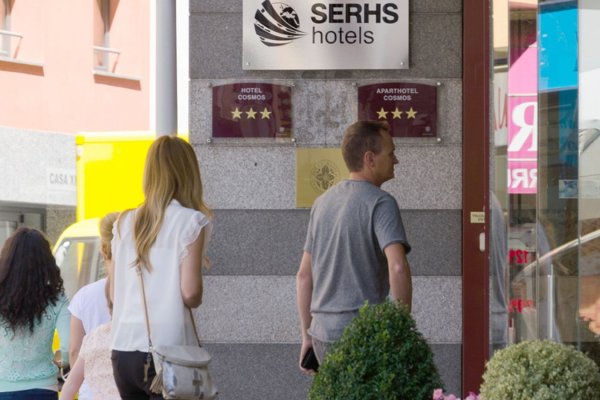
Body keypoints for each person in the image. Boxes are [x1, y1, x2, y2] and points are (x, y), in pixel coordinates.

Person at [296, 120, 412, 370]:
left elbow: (304, 276)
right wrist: (401, 331)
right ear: (370, 159)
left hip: (322, 335)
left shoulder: (322, 203)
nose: (396, 160)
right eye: (391, 153)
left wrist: (307, 337)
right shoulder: (381, 203)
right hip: (363, 336)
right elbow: (398, 267)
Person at [110, 135, 212, 399]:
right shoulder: (190, 222)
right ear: (188, 173)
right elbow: (190, 292)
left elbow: (113, 294)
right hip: (169, 351)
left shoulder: (124, 222)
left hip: (123, 349)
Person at [0, 228, 70, 400]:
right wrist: (62, 360)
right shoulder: (56, 299)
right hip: (43, 388)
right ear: (46, 262)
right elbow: (69, 345)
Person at [61, 212, 119, 400]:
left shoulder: (83, 297)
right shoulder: (142, 293)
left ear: (103, 250)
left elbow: (74, 351)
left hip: (90, 391)